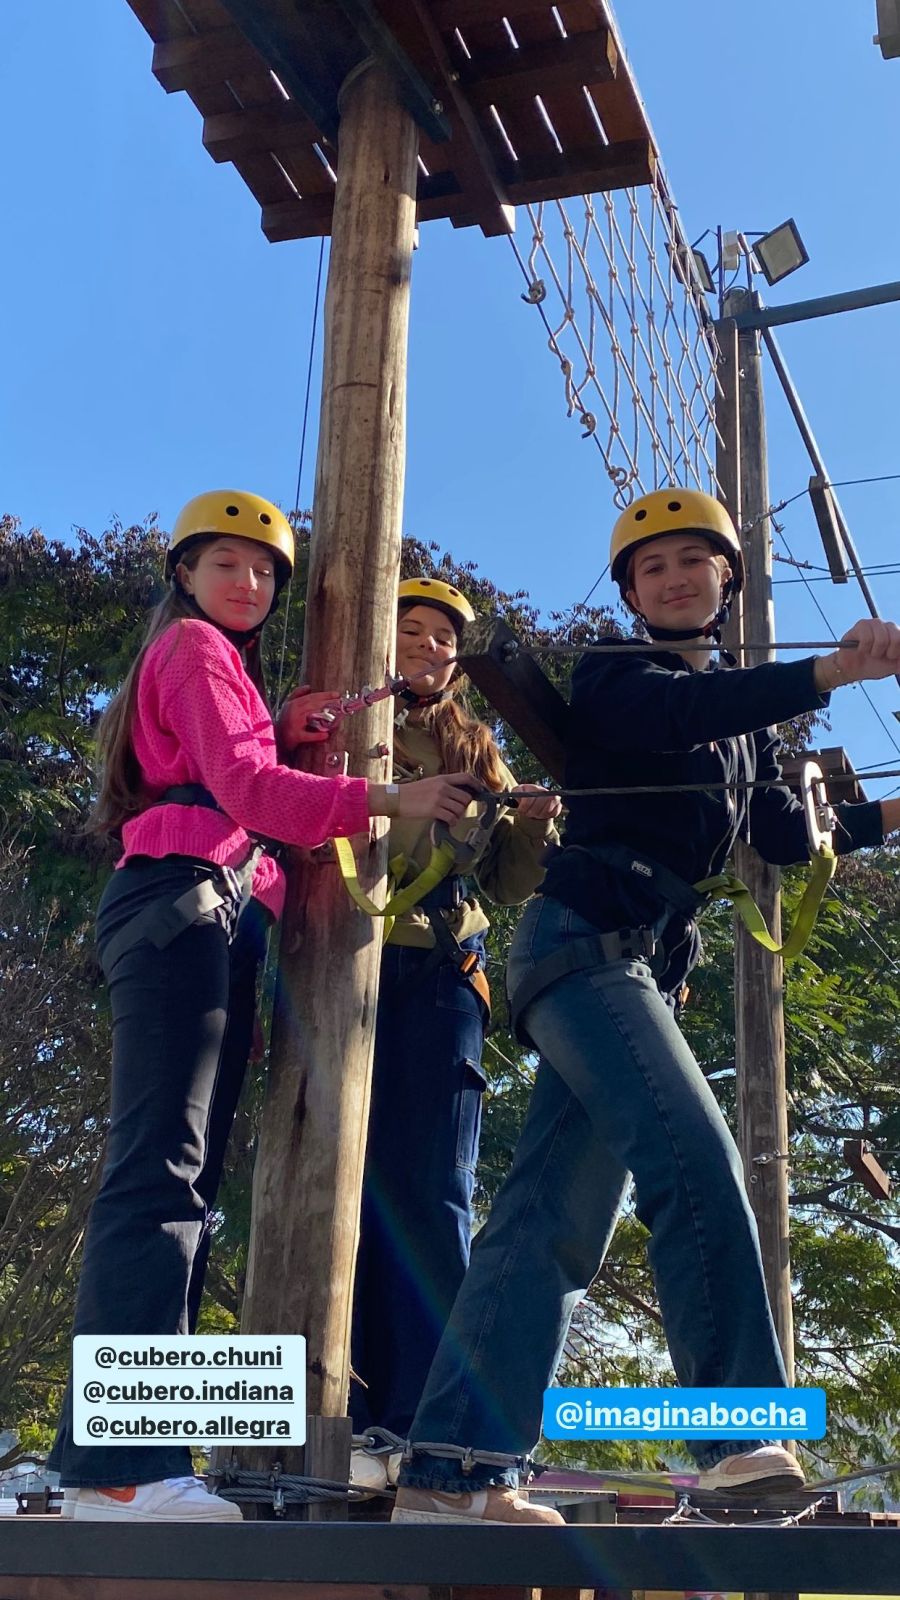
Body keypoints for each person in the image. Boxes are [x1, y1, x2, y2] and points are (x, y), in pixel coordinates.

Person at [389, 488, 900, 1527]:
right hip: (581, 950)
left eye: (693, 562)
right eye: (653, 566)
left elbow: (786, 834)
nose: (673, 578)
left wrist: (885, 812)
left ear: (727, 582)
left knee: (548, 1225)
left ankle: (451, 1471)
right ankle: (737, 1433)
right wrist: (831, 669)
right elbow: (682, 715)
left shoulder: (748, 729)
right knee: (693, 1158)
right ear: (630, 591)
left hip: (639, 969)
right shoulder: (618, 674)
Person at [49, 492, 479, 1523]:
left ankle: (129, 1455)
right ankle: (116, 1464)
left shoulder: (221, 669)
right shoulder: (197, 649)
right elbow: (246, 792)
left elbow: (252, 791)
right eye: (225, 564)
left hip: (202, 911)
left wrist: (297, 742)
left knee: (181, 1183)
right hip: (180, 909)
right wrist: (387, 797)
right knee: (161, 1174)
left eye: (262, 571)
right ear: (185, 576)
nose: (246, 584)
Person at [280, 576, 561, 1492]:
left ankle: (430, 1421)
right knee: (333, 1190)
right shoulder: (341, 724)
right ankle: (346, 1419)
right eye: (412, 630)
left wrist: (529, 827)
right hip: (340, 961)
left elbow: (511, 886)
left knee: (435, 1191)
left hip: (441, 969)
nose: (431, 648)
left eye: (444, 637)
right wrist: (393, 792)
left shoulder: (480, 749)